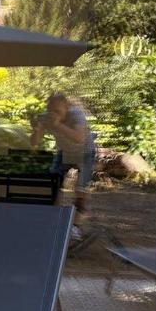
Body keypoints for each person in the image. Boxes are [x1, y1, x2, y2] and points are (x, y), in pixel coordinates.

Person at [30, 93, 95, 239]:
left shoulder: (76, 115)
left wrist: (57, 125)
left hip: (84, 152)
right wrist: (37, 129)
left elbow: (79, 138)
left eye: (58, 111)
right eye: (50, 110)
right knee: (52, 185)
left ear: (67, 108)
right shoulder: (46, 117)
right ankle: (52, 220)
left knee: (81, 191)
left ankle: (75, 227)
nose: (54, 114)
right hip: (64, 152)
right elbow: (34, 142)